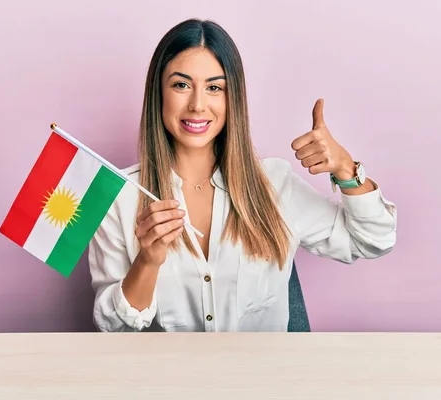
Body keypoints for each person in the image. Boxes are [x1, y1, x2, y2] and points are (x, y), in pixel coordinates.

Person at [88, 18, 397, 332]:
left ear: (231, 96)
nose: (197, 105)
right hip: (168, 379)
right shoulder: (118, 196)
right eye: (181, 85)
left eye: (214, 87)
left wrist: (346, 169)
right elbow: (113, 328)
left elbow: (374, 241)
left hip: (264, 378)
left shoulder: (274, 184)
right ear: (159, 94)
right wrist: (148, 261)